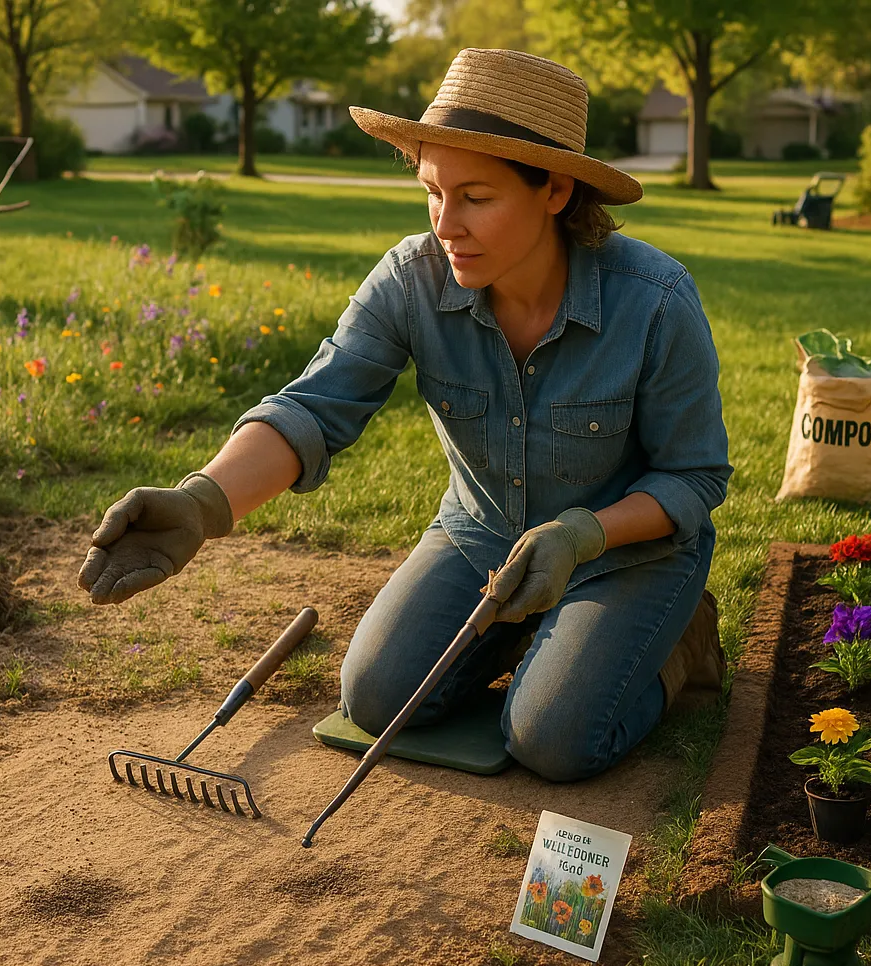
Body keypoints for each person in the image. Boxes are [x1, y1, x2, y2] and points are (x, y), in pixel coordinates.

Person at [79, 48, 731, 782]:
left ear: (553, 190)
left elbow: (694, 477)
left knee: (551, 739)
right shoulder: (410, 280)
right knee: (375, 696)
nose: (447, 223)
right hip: (482, 530)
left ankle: (676, 650)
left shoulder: (656, 302)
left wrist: (582, 535)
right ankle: (543, 638)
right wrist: (203, 501)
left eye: (476, 197)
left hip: (625, 552)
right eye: (432, 193)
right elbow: (313, 408)